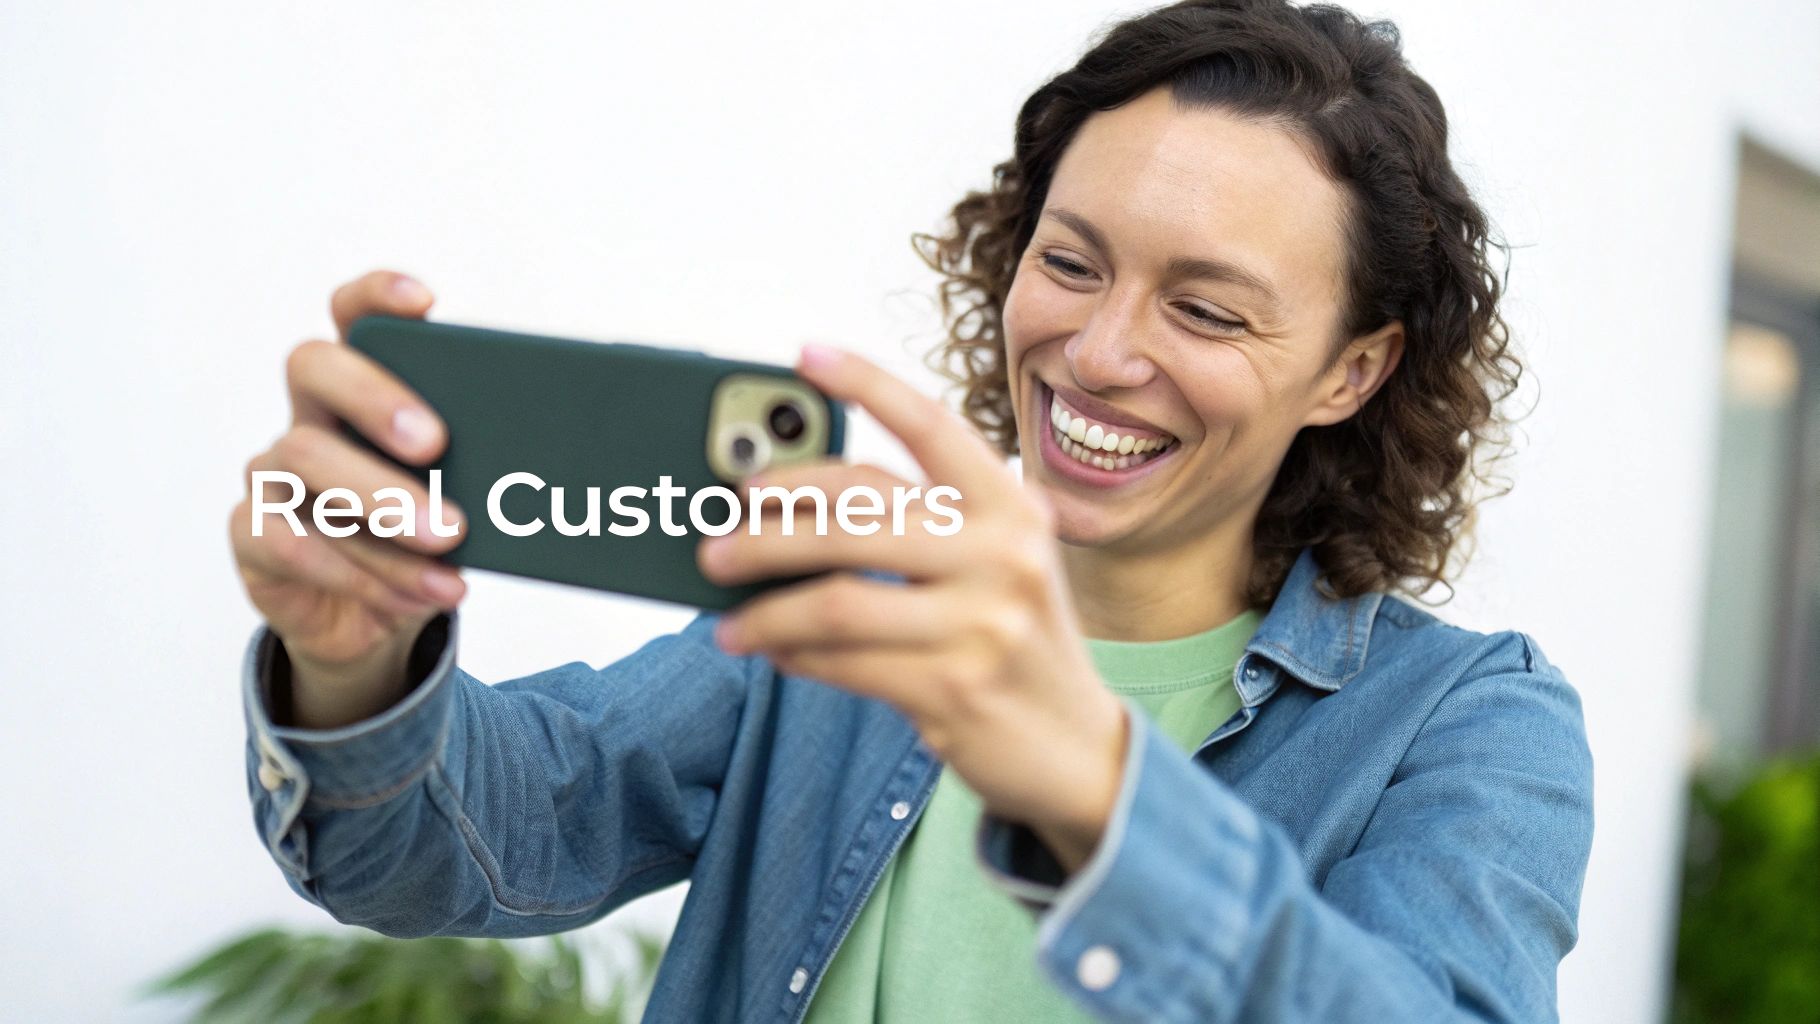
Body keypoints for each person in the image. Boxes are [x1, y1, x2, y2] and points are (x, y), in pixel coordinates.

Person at [227, 0, 1594, 1020]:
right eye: (1072, 262)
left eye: (1206, 310)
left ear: (1354, 368)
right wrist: (353, 665)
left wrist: (1095, 790)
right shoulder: (856, 613)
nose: (1099, 352)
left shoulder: (1467, 725)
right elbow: (463, 843)